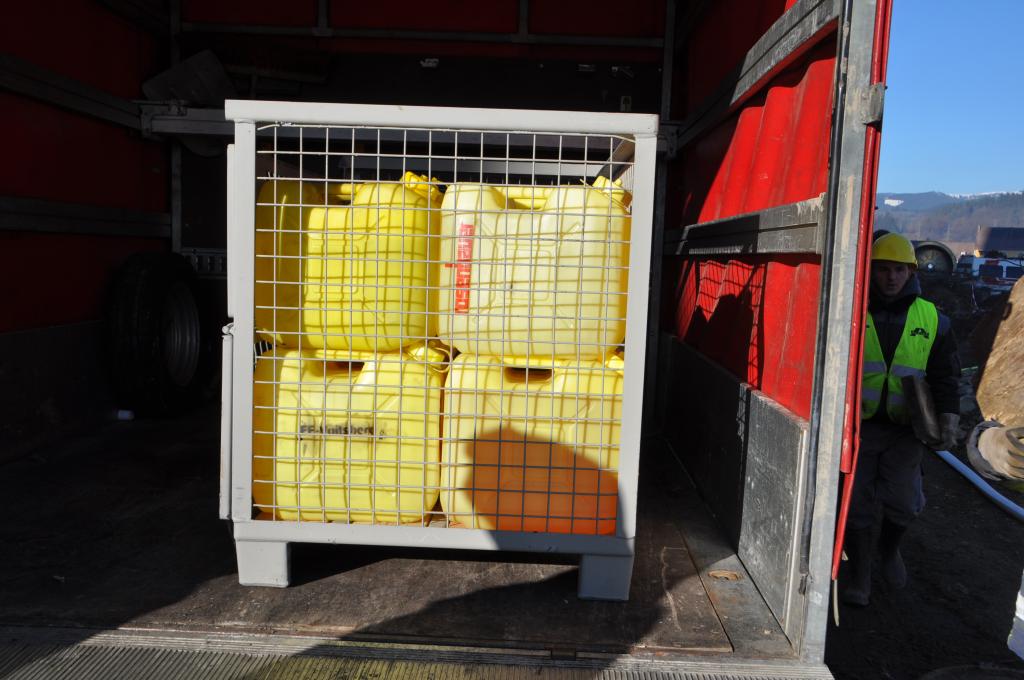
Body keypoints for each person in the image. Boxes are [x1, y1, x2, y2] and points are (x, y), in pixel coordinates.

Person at [842, 232, 961, 606]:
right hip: (859, 429)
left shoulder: (933, 319)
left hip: (905, 431)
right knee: (855, 503)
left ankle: (889, 550)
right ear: (871, 271)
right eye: (883, 270)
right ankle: (860, 572)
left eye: (899, 270)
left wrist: (949, 417)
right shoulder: (852, 313)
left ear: (911, 272)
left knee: (905, 501)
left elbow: (945, 376)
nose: (891, 277)